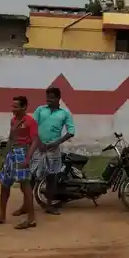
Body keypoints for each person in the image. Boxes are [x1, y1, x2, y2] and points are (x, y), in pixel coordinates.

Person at [0, 95, 38, 230]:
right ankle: (1, 216)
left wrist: (27, 159)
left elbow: (35, 141)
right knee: (5, 184)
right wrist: (5, 157)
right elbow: (11, 138)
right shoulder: (13, 120)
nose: (13, 109)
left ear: (24, 107)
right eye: (12, 106)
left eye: (16, 106)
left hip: (23, 153)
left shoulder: (30, 121)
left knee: (25, 185)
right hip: (12, 153)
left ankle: (31, 219)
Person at [32, 87, 75, 215]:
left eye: (51, 97)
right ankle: (26, 205)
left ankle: (49, 205)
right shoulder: (40, 110)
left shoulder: (65, 114)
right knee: (31, 176)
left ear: (58, 98)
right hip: (37, 148)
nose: (48, 100)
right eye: (47, 97)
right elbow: (33, 127)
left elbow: (71, 132)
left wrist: (57, 142)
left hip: (53, 149)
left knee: (52, 177)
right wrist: (38, 143)